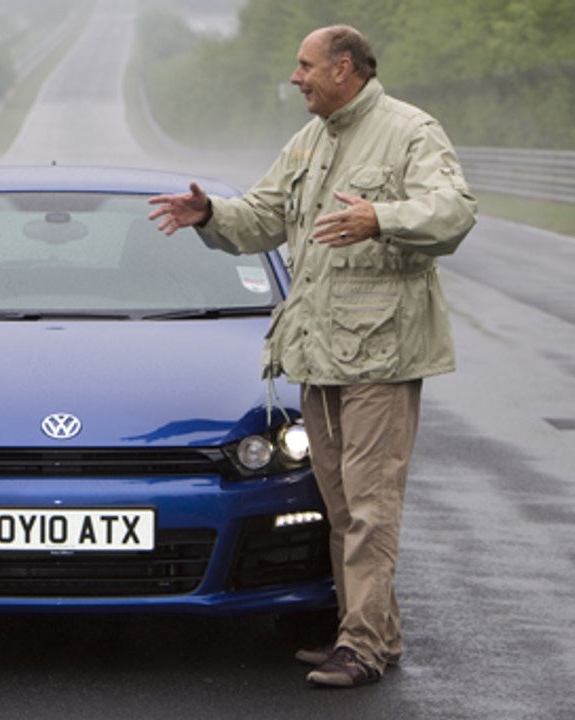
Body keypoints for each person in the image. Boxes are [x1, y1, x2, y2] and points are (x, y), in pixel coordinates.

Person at [148, 25, 476, 688]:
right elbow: (262, 218)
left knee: (368, 503)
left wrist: (380, 218)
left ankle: (357, 644)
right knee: (340, 502)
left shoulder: (409, 130)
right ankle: (375, 632)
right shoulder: (309, 140)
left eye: (304, 65)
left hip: (380, 354)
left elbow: (453, 213)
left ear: (343, 68)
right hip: (317, 354)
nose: (295, 77)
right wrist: (209, 213)